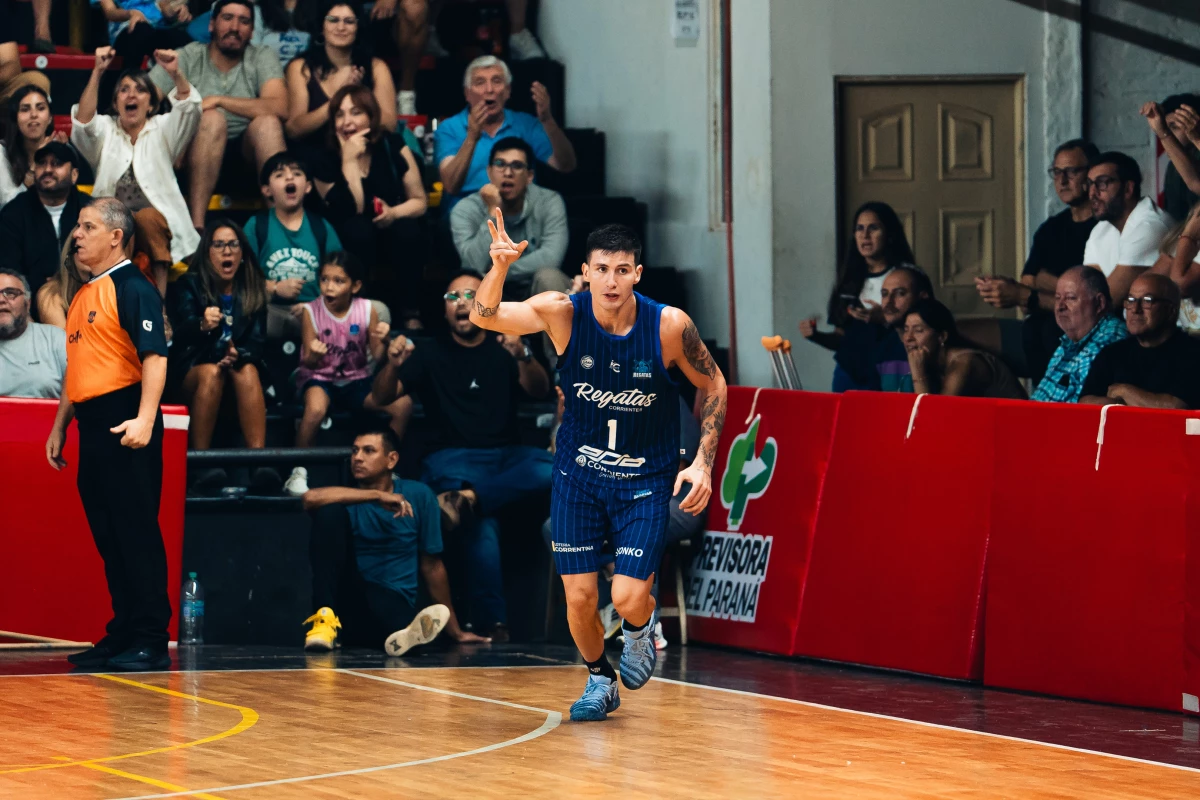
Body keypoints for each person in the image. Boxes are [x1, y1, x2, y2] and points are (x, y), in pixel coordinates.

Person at [468, 216, 728, 721]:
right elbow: (484, 317)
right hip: (578, 479)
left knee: (627, 598)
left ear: (638, 274)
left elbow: (714, 384)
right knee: (581, 600)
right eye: (602, 269)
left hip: (644, 480)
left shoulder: (668, 325)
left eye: (622, 270)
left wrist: (702, 462)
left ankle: (639, 628)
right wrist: (499, 266)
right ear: (585, 272)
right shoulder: (562, 312)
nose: (611, 281)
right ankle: (600, 679)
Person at [371, 269, 553, 639]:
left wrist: (524, 354)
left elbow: (539, 390)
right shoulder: (430, 352)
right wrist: (392, 362)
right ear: (444, 310)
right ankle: (494, 625)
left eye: (470, 294)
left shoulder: (504, 348)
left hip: (504, 458)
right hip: (452, 458)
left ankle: (469, 499)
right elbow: (382, 397)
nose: (462, 303)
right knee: (482, 529)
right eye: (453, 297)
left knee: (560, 466)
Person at [45, 198, 172, 671]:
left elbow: (155, 356)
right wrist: (61, 425)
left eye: (87, 226)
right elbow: (79, 370)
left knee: (136, 533)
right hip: (93, 426)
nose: (76, 234)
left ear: (115, 236)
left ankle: (151, 639)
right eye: (77, 226)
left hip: (127, 419)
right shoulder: (82, 295)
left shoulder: (133, 286)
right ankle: (123, 631)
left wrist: (144, 419)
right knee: (110, 538)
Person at [300, 428, 488, 654]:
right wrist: (378, 496)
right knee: (329, 512)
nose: (357, 457)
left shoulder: (419, 495)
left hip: (392, 600)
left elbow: (432, 565)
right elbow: (310, 498)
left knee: (399, 623)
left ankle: (401, 635)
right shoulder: (343, 496)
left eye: (368, 451)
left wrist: (455, 632)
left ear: (392, 460)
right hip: (349, 596)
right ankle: (325, 622)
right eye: (355, 451)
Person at [150, 0, 287, 230]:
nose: (235, 27)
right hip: (197, 149)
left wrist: (219, 100)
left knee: (269, 124)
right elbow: (145, 95)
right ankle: (197, 229)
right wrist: (175, 137)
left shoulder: (261, 55)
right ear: (212, 24)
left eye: (244, 21)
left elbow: (280, 107)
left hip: (247, 152)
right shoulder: (191, 55)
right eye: (227, 18)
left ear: (252, 31)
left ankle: (282, 226)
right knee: (212, 119)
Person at [73, 47, 201, 291]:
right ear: (115, 103)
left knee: (147, 217)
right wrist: (98, 71)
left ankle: (159, 306)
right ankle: (118, 301)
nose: (132, 95)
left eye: (140, 90)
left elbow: (190, 110)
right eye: (124, 90)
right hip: (112, 227)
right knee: (123, 219)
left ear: (151, 105)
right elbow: (83, 124)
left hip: (157, 226)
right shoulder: (106, 130)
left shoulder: (163, 128)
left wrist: (175, 74)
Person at [285, 251, 411, 494]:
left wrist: (384, 341)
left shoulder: (367, 310)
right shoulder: (311, 312)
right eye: (324, 279)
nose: (329, 287)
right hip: (320, 379)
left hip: (357, 381)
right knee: (316, 409)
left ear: (355, 286)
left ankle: (385, 466)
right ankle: (298, 471)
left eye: (338, 281)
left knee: (402, 406)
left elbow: (379, 356)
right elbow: (308, 364)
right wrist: (313, 353)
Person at [167, 221, 280, 491]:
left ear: (242, 254)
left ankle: (257, 463)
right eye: (218, 245)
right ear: (207, 253)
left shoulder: (252, 290)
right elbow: (178, 339)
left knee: (248, 368)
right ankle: (201, 465)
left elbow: (257, 344)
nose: (226, 251)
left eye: (233, 245)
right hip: (192, 374)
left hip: (237, 379)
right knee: (211, 371)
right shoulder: (188, 286)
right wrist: (202, 327)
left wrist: (235, 354)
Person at [974, 139, 1099, 381]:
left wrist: (1043, 283)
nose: (1062, 181)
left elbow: (1091, 300)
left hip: (1081, 339)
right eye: (1056, 172)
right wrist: (1056, 290)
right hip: (1037, 334)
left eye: (1071, 171)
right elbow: (1026, 295)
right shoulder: (1050, 229)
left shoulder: (1103, 227)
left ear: (1091, 174)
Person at [316, 84, 427, 314]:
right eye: (340, 115)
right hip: (347, 236)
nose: (347, 122)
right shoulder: (322, 155)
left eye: (356, 113)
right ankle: (359, 311)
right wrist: (349, 159)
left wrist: (393, 212)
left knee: (408, 230)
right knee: (358, 229)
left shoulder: (391, 144)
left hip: (389, 228)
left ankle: (410, 312)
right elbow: (353, 207)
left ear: (370, 116)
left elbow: (419, 201)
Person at [799, 201, 915, 391]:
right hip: (849, 374)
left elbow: (925, 329)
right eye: (859, 229)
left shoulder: (907, 276)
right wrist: (816, 336)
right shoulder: (849, 280)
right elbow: (841, 338)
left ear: (890, 234)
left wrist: (884, 318)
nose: (865, 235)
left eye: (873, 228)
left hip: (892, 372)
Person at [435, 55, 575, 211]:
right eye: (480, 83)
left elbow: (566, 165)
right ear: (467, 94)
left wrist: (547, 120)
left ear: (507, 91)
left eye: (496, 81)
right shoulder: (449, 128)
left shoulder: (526, 124)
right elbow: (450, 185)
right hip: (469, 214)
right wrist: (472, 138)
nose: (489, 90)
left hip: (520, 213)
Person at [451, 136, 570, 298]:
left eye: (517, 165)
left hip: (533, 286)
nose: (508, 173)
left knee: (550, 277)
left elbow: (551, 258)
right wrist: (493, 211)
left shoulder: (549, 202)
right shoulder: (465, 209)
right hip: (487, 290)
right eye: (500, 164)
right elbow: (473, 266)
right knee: (467, 288)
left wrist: (500, 270)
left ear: (529, 176)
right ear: (489, 172)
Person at [242, 152, 344, 340]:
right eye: (279, 175)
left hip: (315, 311)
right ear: (266, 190)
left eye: (296, 173)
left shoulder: (321, 227)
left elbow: (341, 277)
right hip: (271, 310)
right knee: (248, 318)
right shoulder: (257, 226)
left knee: (379, 312)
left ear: (308, 187)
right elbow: (240, 280)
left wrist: (317, 306)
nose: (289, 177)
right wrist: (274, 288)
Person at [284, 0, 397, 165]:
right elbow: (294, 129)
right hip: (314, 157)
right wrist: (340, 97)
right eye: (333, 20)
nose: (341, 27)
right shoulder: (301, 67)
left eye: (349, 21)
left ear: (358, 28)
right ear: (322, 26)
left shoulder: (376, 67)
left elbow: (389, 124)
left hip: (364, 155)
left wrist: (359, 98)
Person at [1079, 273, 1200, 409]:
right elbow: (1086, 403)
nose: (1135, 309)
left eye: (1147, 300)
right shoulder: (1113, 353)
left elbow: (1175, 409)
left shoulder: (1193, 353)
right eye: (1130, 300)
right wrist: (1128, 403)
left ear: (1170, 311)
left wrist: (1123, 391)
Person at [0, 143, 91, 308]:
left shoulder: (90, 209)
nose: (48, 169)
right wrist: (43, 284)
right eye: (42, 163)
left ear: (74, 174)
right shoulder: (13, 213)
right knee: (49, 298)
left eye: (57, 163)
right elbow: (9, 267)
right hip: (33, 297)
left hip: (85, 288)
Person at [1081, 151, 1172, 306]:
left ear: (1128, 189)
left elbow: (1105, 304)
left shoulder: (1149, 226)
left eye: (1102, 183)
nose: (1092, 193)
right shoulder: (1100, 230)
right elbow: (1086, 291)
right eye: (1089, 184)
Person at [1031, 266, 1128, 404]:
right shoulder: (1068, 341)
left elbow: (1076, 413)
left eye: (1070, 298)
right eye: (1058, 298)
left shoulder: (1110, 340)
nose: (1060, 306)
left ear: (1099, 303)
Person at [902, 299, 1026, 399]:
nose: (908, 338)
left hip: (1017, 424)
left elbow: (935, 417)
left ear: (942, 337)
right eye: (906, 330)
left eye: (918, 331)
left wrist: (918, 374)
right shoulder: (930, 362)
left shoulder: (964, 362)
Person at [0, 268, 65, 398]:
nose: (1, 299)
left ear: (27, 303)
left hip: (51, 418)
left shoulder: (55, 339)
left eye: (10, 293)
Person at [1, 85, 65, 207]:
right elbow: (8, 206)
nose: (33, 114)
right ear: (15, 117)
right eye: (25, 109)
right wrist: (37, 164)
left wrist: (62, 161)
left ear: (50, 118)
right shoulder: (2, 154)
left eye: (40, 108)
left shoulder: (60, 149)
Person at [1141, 94, 1200, 223]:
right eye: (1166, 128)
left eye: (1174, 127)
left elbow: (1196, 183)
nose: (1169, 134)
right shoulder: (1172, 167)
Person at [873, 265, 933, 392]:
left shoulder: (936, 345)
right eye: (884, 294)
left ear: (923, 297)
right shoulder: (881, 347)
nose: (888, 302)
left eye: (900, 293)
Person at [95, 0, 194, 75]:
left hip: (159, 28)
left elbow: (164, 7)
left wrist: (175, 11)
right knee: (141, 31)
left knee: (185, 41)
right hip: (128, 28)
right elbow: (110, 12)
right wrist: (131, 13)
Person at [36, 239, 86, 329]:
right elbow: (62, 340)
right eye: (81, 248)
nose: (88, 254)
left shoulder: (113, 285)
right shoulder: (51, 293)